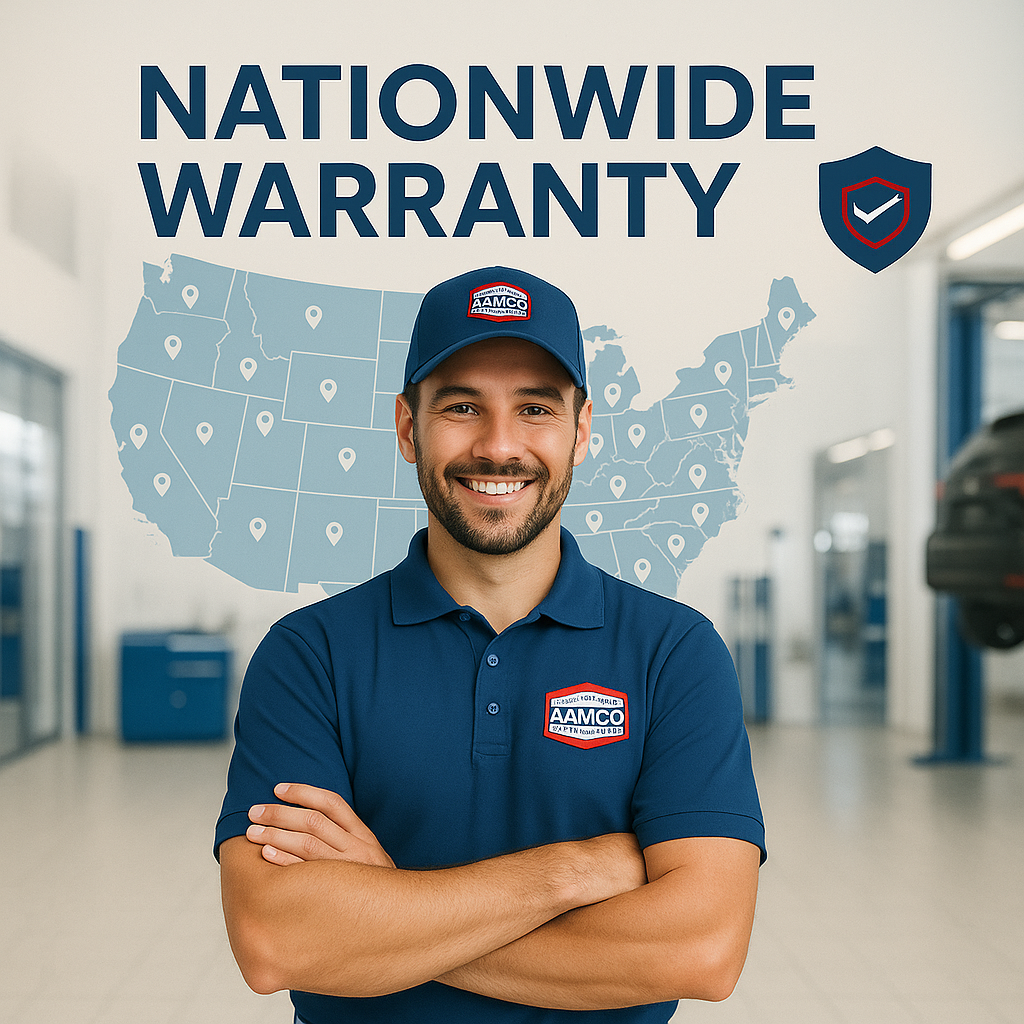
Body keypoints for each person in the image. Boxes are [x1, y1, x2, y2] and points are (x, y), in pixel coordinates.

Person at [215, 266, 766, 1024]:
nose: (499, 446)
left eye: (535, 407)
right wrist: (572, 871)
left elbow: (701, 951)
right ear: (409, 428)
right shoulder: (309, 655)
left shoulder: (674, 652)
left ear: (582, 431)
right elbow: (277, 940)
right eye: (463, 406)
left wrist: (388, 904)